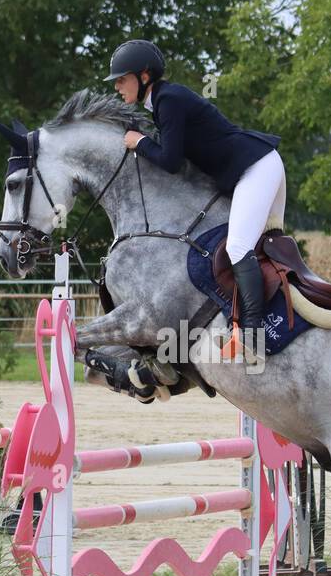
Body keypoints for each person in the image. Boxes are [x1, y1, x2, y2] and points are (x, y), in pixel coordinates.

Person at [103, 39, 283, 362]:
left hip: (257, 168)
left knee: (239, 248)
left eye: (122, 78)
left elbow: (170, 161)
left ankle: (252, 337)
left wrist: (139, 142)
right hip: (257, 166)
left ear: (144, 76)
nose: (117, 86)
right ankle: (262, 324)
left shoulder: (168, 100)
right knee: (260, 250)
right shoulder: (163, 102)